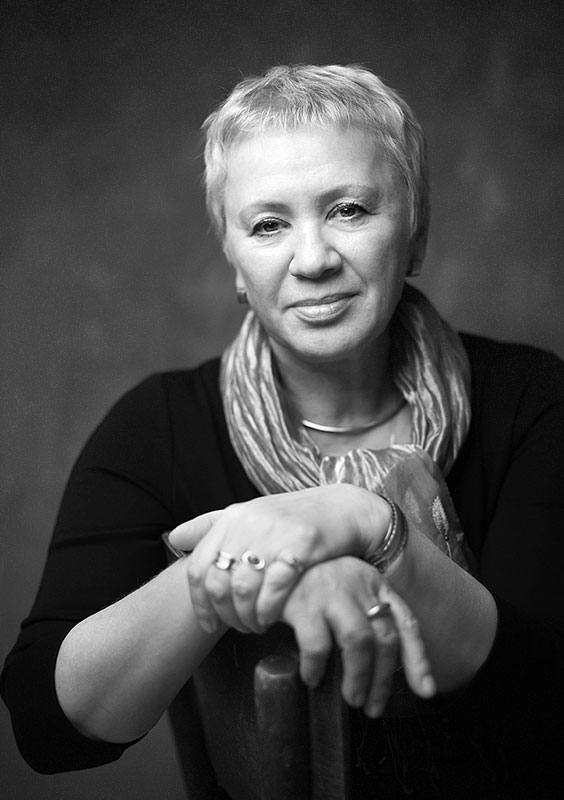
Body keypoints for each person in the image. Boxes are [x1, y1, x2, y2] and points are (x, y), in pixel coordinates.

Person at [2, 64, 564, 799]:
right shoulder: (157, 427)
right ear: (235, 261)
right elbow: (48, 729)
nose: (313, 259)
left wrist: (366, 523)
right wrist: (225, 578)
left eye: (350, 210)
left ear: (416, 233)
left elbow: (548, 700)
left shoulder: (531, 398)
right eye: (268, 224)